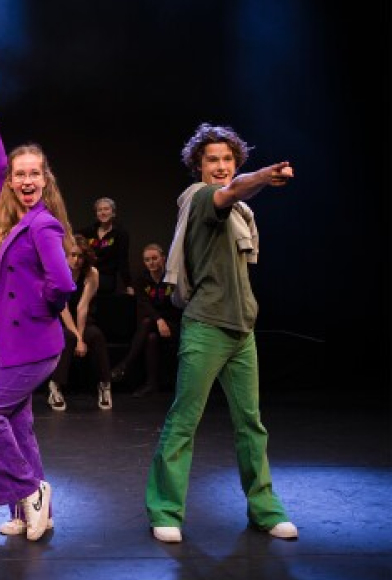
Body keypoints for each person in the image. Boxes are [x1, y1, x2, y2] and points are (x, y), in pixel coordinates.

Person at [145, 122, 298, 544]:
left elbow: (237, 197)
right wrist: (265, 176)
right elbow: (229, 192)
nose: (220, 166)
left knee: (252, 424)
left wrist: (256, 181)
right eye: (212, 159)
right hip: (206, 326)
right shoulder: (198, 198)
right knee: (183, 422)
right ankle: (165, 510)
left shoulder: (242, 214)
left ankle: (265, 509)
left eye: (227, 159)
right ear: (198, 165)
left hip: (242, 328)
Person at [0, 70, 77, 541]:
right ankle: (30, 511)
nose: (26, 180)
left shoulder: (43, 225)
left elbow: (64, 284)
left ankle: (30, 490)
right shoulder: (12, 211)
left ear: (45, 179)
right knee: (17, 421)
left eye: (34, 173)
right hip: (3, 337)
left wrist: (36, 308)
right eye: (19, 174)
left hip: (30, 342)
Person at [46, 234, 114, 411]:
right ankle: (55, 386)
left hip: (83, 319)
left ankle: (105, 385)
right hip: (58, 320)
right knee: (67, 337)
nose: (76, 260)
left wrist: (81, 338)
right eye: (72, 255)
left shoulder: (92, 273)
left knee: (96, 335)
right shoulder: (57, 272)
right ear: (65, 255)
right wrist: (77, 338)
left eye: (80, 256)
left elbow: (82, 307)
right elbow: (64, 309)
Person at [110, 243, 182, 396]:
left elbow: (178, 306)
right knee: (150, 337)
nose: (152, 262)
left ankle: (125, 365)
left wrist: (161, 321)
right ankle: (151, 384)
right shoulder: (141, 280)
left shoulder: (173, 278)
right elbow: (144, 304)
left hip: (174, 325)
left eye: (155, 258)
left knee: (148, 322)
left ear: (163, 259)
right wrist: (159, 320)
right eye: (147, 260)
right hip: (156, 324)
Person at [76, 197, 133, 295]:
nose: (103, 212)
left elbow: (123, 261)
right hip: (87, 275)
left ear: (113, 213)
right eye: (99, 210)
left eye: (106, 209)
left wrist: (128, 285)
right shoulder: (87, 232)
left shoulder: (120, 234)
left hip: (107, 278)